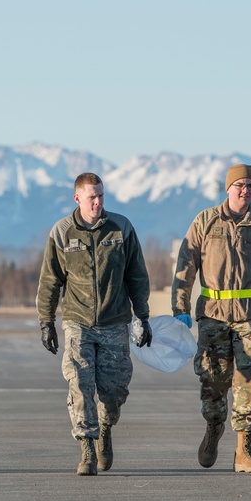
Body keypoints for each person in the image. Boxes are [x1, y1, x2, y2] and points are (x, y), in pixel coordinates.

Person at [172, 163, 251, 473]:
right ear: (227, 189)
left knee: (248, 382)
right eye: (239, 185)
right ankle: (214, 427)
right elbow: (185, 268)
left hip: (249, 319)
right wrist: (180, 308)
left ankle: (244, 450)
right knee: (214, 383)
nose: (244, 190)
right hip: (212, 317)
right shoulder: (205, 222)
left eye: (250, 186)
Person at [36, 172, 153, 476]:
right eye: (92, 197)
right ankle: (87, 449)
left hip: (115, 321)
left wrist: (142, 316)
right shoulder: (62, 231)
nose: (98, 202)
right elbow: (50, 280)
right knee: (79, 382)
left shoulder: (121, 227)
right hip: (78, 321)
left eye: (101, 195)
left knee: (114, 391)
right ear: (77, 198)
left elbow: (137, 276)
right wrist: (46, 321)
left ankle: (105, 424)